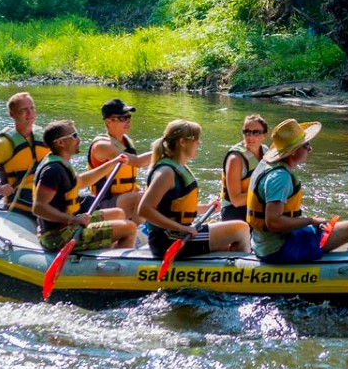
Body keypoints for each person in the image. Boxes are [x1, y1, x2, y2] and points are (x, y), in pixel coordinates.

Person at [250, 118, 348, 264]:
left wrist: (309, 222)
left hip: (266, 245)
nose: (310, 149)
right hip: (280, 249)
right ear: (293, 152)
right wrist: (310, 220)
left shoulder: (270, 169)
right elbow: (273, 222)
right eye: (306, 145)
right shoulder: (280, 178)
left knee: (328, 228)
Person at [139, 120, 253, 259]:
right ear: (182, 141)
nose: (198, 144)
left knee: (227, 238)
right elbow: (144, 209)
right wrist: (182, 228)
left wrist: (206, 208)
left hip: (177, 234)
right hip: (167, 240)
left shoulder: (177, 167)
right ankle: (244, 273)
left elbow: (173, 207)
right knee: (241, 229)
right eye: (196, 140)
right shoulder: (166, 172)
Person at [30, 120, 138, 252]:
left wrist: (114, 162)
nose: (79, 139)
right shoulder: (53, 170)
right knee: (130, 228)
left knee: (118, 213)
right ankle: (115, 267)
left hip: (68, 225)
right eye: (74, 136)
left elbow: (81, 181)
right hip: (59, 235)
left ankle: (104, 250)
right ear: (60, 143)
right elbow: (38, 208)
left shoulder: (60, 162)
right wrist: (73, 219)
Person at [0, 91, 47, 218]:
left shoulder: (45, 136)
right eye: (23, 110)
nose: (30, 114)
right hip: (19, 196)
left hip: (45, 190)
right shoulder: (2, 144)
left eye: (32, 108)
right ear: (12, 114)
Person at [86, 97, 153, 220]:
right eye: (122, 118)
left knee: (156, 194)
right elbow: (137, 162)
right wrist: (165, 150)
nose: (128, 121)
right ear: (109, 122)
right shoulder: (102, 145)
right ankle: (135, 233)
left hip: (124, 199)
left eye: (128, 117)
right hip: (105, 203)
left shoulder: (126, 141)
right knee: (143, 197)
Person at [220, 114, 267, 223]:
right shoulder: (235, 159)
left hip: (254, 205)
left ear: (264, 135)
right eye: (247, 132)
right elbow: (236, 200)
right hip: (234, 211)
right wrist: (267, 193)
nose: (250, 136)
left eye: (256, 132)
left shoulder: (265, 151)